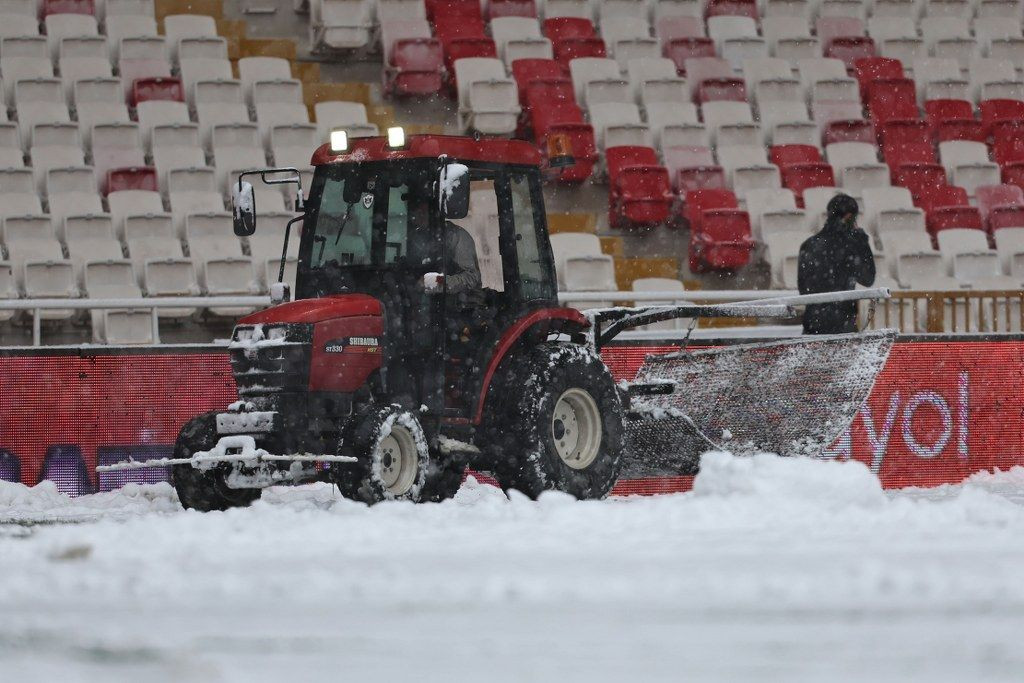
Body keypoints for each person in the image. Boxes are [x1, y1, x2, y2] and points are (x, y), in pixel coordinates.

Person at [797, 193, 876, 335]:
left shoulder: (808, 245)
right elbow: (868, 279)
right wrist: (863, 245)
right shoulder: (851, 247)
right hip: (842, 327)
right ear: (848, 217)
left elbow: (803, 290)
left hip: (813, 327)